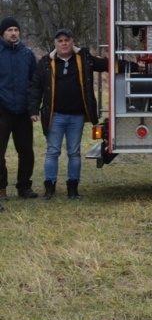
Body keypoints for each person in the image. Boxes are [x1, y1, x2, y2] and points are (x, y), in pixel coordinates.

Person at [29, 28, 110, 200]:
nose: (64, 43)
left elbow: (106, 65)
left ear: (73, 42)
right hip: (55, 116)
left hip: (77, 116)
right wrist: (34, 110)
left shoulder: (84, 59)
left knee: (74, 152)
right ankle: (49, 188)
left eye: (67, 40)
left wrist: (134, 66)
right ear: (55, 44)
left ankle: (73, 189)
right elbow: (36, 87)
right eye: (60, 41)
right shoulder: (45, 63)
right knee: (52, 152)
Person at [0, 17, 39, 200]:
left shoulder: (27, 54)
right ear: (3, 33)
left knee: (25, 151)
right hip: (2, 110)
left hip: (23, 110)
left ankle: (24, 187)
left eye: (16, 29)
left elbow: (35, 82)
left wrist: (33, 108)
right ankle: (1, 188)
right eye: (10, 30)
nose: (14, 33)